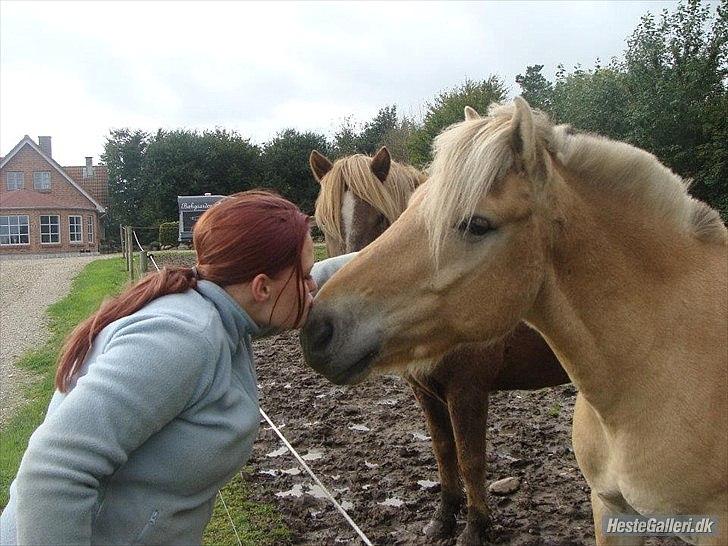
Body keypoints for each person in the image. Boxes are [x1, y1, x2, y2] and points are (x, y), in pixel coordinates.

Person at [0, 190, 355, 546]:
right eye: (305, 275)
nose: (313, 288)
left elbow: (315, 284)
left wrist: (401, 247)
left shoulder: (222, 310)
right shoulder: (181, 338)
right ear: (261, 287)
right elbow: (53, 471)